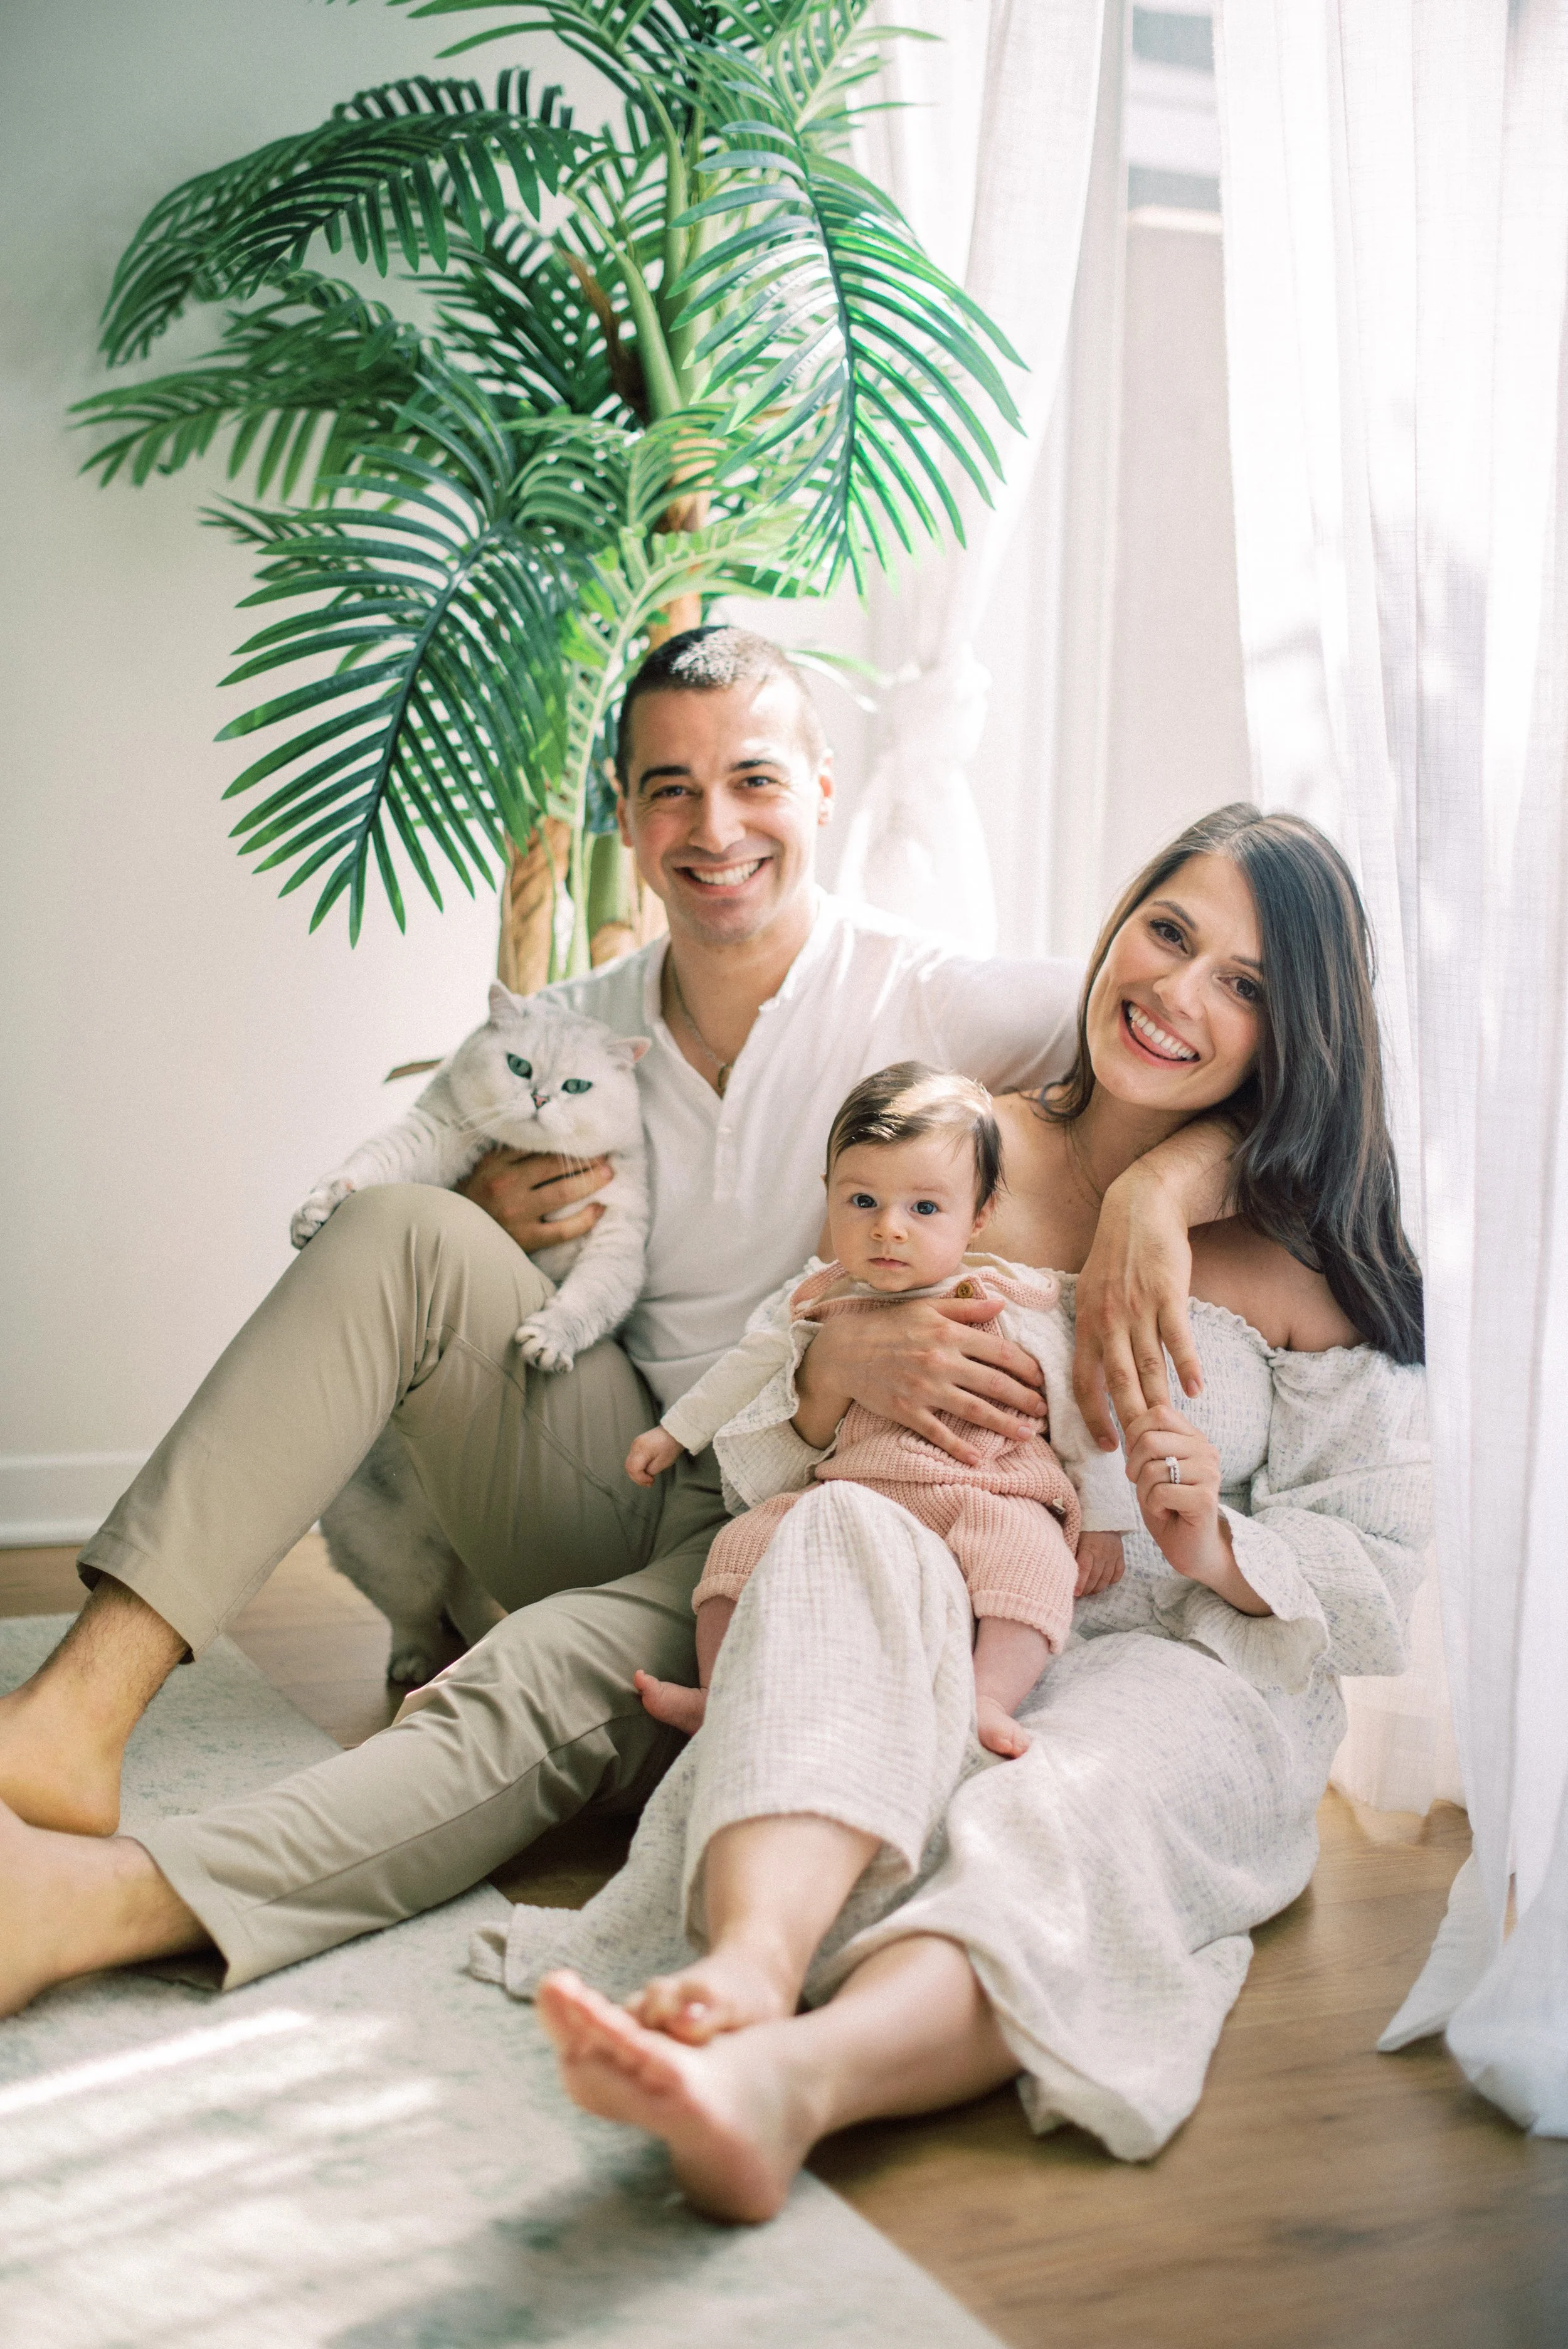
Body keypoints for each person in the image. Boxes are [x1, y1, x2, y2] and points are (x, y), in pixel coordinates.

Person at [0, 628, 1234, 2017]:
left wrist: (1167, 1188)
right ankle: (73, 1721)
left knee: (531, 1678)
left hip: (791, 1523)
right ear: (625, 818)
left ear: (823, 788)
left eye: (753, 779)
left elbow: (1197, 1052)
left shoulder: (933, 994)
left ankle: (98, 1903)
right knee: (397, 1229)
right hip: (613, 1465)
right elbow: (396, 1185)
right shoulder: (573, 1028)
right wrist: (482, 1198)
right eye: (668, 789)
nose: (714, 830)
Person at [474, 803, 1431, 2222]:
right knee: (832, 1532)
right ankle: (741, 1973)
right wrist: (831, 1365)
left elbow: (1383, 1581)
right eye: (1169, 932)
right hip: (938, 1583)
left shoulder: (1316, 1265)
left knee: (1059, 1797)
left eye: (1244, 986)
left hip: (1187, 1661)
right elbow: (771, 1407)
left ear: (1298, 1040)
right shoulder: (957, 1145)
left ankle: (793, 2084)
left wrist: (1216, 1544)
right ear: (1118, 923)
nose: (1175, 991)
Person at [627, 1062, 1133, 1757]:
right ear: (828, 1197)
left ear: (979, 1215)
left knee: (1029, 1555)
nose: (888, 1230)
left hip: (985, 1485)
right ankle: (725, 1692)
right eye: (862, 1202)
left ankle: (986, 1699)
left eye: (924, 1209)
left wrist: (1104, 1520)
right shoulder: (815, 1295)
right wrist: (674, 1430)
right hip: (854, 1489)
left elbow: (1084, 1410)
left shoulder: (1011, 1298)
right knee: (738, 1546)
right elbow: (746, 1368)